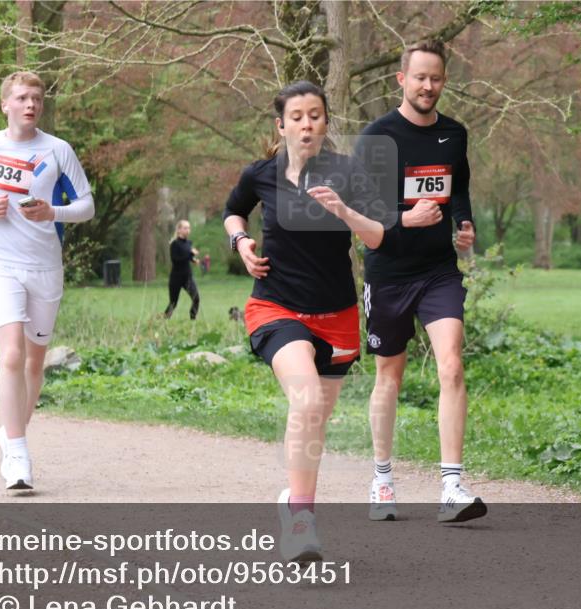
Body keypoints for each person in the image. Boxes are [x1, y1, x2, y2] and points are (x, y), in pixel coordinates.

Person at [223, 80, 386, 562]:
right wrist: (241, 243)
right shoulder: (261, 174)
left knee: (314, 420)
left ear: (325, 122)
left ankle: (292, 500)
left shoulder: (346, 172)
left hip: (336, 315)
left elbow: (378, 237)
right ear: (281, 125)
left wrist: (345, 212)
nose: (306, 124)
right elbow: (233, 212)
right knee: (307, 398)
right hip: (276, 308)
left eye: (315, 115)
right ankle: (301, 520)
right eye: (296, 116)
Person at [354, 40, 486, 523]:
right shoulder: (377, 138)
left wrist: (463, 223)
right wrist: (404, 220)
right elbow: (361, 209)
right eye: (419, 78)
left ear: (444, 81)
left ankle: (451, 485)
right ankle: (382, 478)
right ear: (401, 80)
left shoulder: (455, 134)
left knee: (451, 365)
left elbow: (460, 186)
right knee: (390, 375)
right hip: (388, 271)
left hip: (437, 271)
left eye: (436, 78)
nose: (428, 86)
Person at [0, 71, 94, 491]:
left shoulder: (58, 150)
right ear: (5, 105)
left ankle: (12, 430)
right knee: (11, 355)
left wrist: (53, 212)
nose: (30, 104)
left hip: (45, 267)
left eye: (37, 98)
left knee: (34, 362)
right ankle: (17, 453)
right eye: (22, 98)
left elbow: (86, 205)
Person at [164, 219, 200, 319]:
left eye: (188, 228)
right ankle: (163, 321)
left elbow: (186, 257)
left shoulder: (188, 243)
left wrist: (193, 260)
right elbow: (176, 260)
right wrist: (191, 254)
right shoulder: (174, 244)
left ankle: (193, 319)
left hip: (187, 277)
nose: (187, 230)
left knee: (196, 298)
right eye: (185, 228)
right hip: (176, 278)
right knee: (173, 303)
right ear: (179, 230)